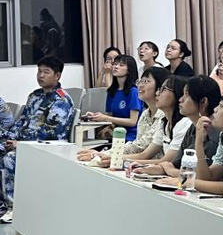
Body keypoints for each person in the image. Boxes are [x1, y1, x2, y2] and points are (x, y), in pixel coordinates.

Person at [0, 57, 75, 223]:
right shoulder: (35, 95)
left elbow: (51, 133)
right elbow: (21, 122)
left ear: (57, 76)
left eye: (46, 72)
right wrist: (10, 139)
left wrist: (21, 144)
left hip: (47, 147)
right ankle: (2, 203)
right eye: (39, 71)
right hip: (25, 143)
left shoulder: (61, 101)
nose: (41, 75)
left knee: (8, 159)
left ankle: (14, 207)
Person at [154, 90, 223, 193]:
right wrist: (199, 141)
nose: (215, 109)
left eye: (221, 106)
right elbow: (207, 177)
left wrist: (185, 181)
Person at [77, 66, 169, 165]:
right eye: (140, 81)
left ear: (160, 87)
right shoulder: (145, 114)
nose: (141, 85)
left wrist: (103, 155)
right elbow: (137, 145)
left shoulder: (164, 115)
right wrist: (103, 154)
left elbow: (141, 146)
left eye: (146, 81)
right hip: (137, 162)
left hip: (153, 165)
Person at [135, 76, 222, 177]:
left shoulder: (215, 134)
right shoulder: (192, 127)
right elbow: (174, 164)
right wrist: (145, 169)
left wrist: (172, 171)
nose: (180, 99)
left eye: (186, 95)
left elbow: (201, 176)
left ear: (203, 102)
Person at [126, 76, 190, 166]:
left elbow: (166, 161)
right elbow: (144, 155)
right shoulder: (164, 123)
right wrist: (115, 159)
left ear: (178, 93)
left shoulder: (185, 123)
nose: (157, 93)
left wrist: (125, 162)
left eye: (163, 89)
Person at [85, 54, 141, 142]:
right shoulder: (112, 91)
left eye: (121, 65)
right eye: (115, 64)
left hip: (130, 138)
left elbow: (132, 121)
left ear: (129, 70)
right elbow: (111, 116)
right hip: (114, 135)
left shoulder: (133, 92)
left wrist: (105, 118)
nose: (116, 67)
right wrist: (96, 116)